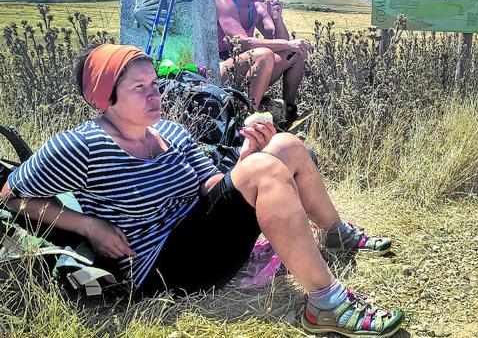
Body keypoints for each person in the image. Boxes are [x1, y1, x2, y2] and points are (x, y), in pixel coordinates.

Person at [1, 44, 403, 337]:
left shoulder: (172, 132)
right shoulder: (80, 147)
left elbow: (212, 187)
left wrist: (248, 154)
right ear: (104, 97)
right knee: (265, 166)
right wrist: (90, 226)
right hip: (160, 265)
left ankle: (335, 234)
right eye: (138, 87)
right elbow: (10, 194)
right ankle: (325, 303)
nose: (154, 94)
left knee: (286, 147)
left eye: (155, 83)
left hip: (202, 239)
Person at [215, 0, 311, 123]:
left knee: (294, 54)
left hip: (243, 65)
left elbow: (281, 42)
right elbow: (241, 42)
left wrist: (277, 18)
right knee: (264, 55)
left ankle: (288, 111)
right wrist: (288, 43)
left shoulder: (257, 6)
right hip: (216, 67)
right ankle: (246, 118)